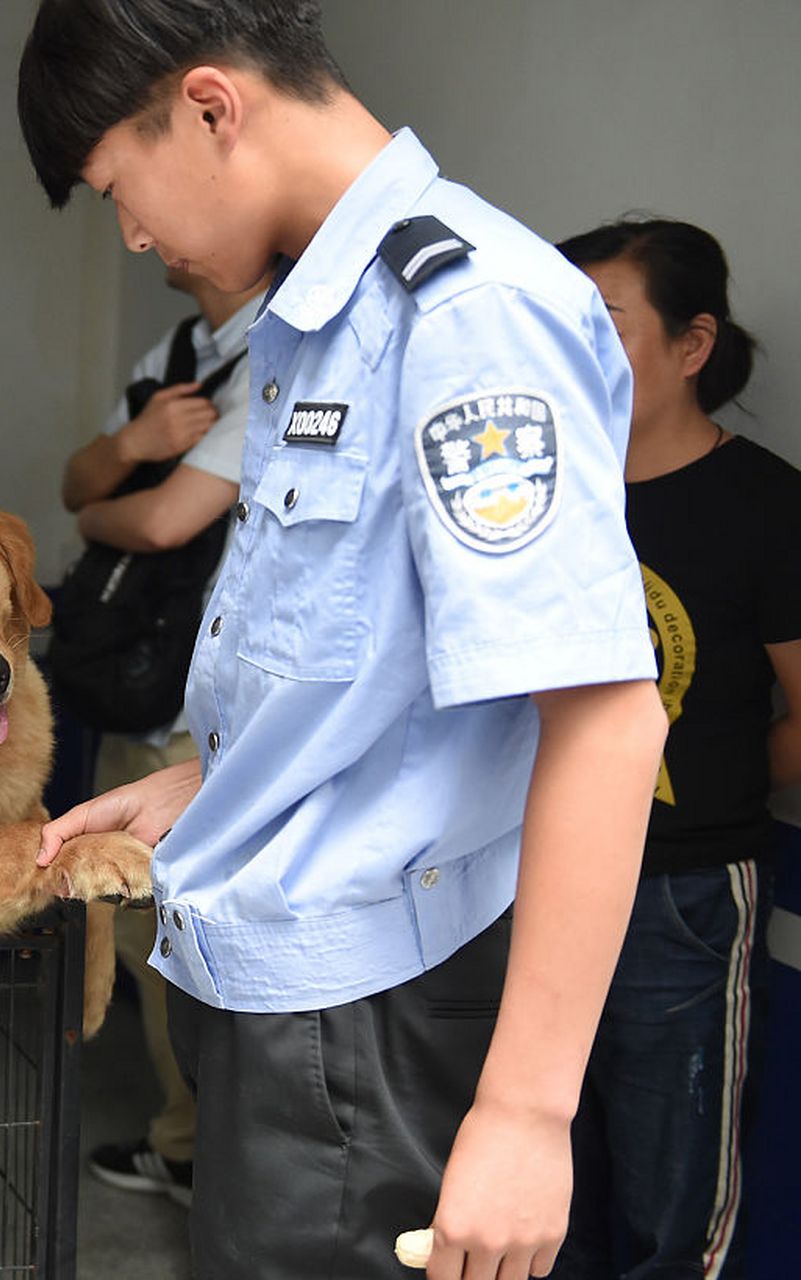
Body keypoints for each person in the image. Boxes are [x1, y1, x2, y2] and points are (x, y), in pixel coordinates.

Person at [18, 3, 669, 1277]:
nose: (135, 232)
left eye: (118, 189)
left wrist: (527, 1112)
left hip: (367, 1013)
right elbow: (385, 668)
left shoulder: (466, 317)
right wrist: (209, 781)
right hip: (280, 981)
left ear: (209, 108)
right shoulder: (320, 320)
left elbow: (602, 715)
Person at [549, 218, 801, 1279]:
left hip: (683, 892)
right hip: (529, 876)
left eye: (602, 324)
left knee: (669, 1199)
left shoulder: (764, 504)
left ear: (691, 345)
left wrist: (696, 786)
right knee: (543, 1186)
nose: (574, 352)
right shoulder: (541, 493)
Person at [62, 262, 268, 1205]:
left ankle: (208, 1161)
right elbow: (81, 475)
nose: (136, 235)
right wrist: (134, 440)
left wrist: (99, 514)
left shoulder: (287, 350)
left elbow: (160, 520)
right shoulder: (175, 356)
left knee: (199, 949)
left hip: (216, 718)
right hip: (141, 692)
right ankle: (187, 1146)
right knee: (145, 944)